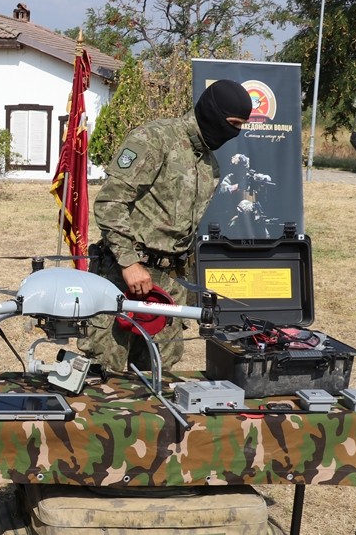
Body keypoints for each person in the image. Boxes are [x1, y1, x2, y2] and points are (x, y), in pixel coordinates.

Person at [78, 79, 252, 374]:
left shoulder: (210, 163)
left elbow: (187, 229)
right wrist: (129, 262)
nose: (235, 132)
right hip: (125, 278)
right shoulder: (154, 139)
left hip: (170, 288)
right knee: (106, 373)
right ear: (212, 113)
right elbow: (110, 202)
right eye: (233, 123)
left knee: (158, 378)